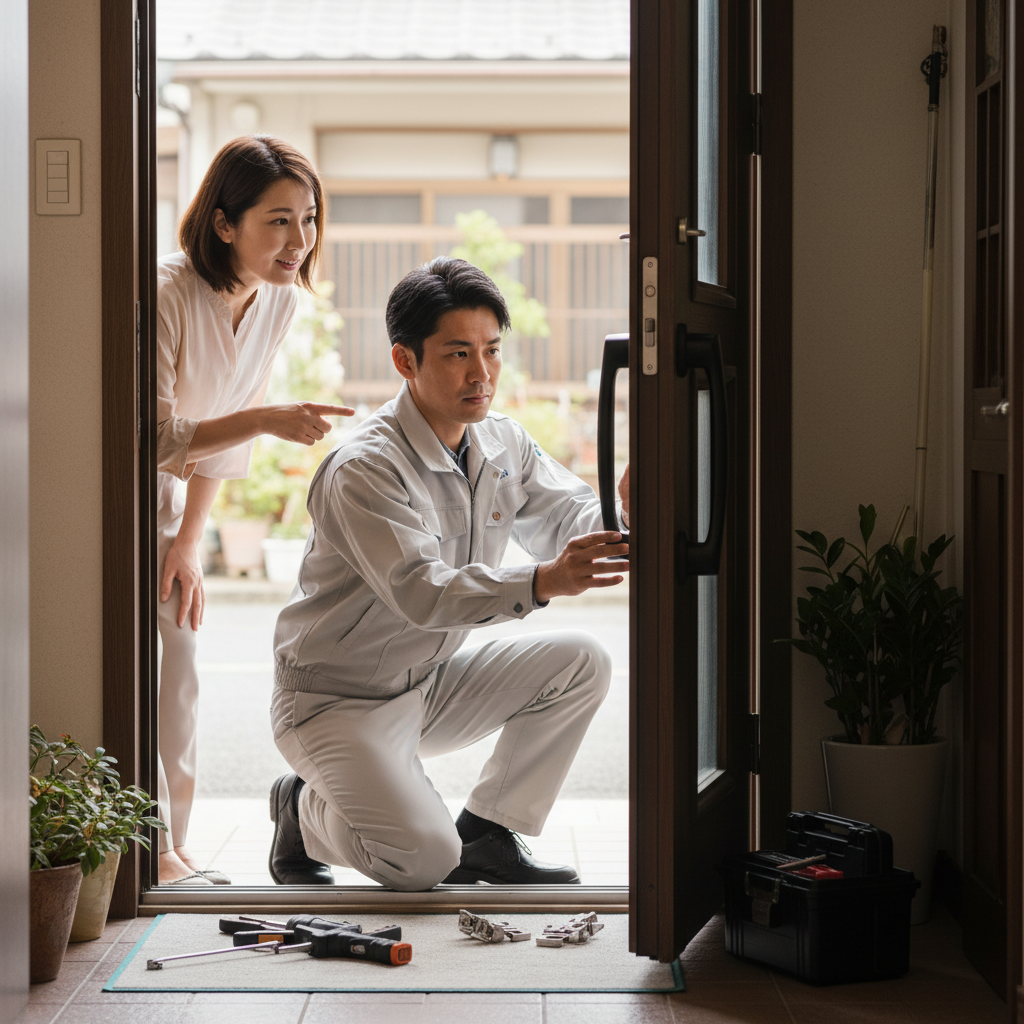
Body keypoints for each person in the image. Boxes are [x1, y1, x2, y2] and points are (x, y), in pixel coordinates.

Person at [268, 256, 630, 891]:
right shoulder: (364, 467)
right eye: (458, 354)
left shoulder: (502, 442)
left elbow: (567, 514)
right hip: (334, 702)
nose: (482, 373)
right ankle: (302, 813)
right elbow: (422, 592)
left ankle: (489, 833)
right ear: (405, 362)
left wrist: (625, 511)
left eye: (492, 350)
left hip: (429, 684)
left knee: (583, 661)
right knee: (423, 863)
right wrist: (543, 581)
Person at [156, 135, 354, 885]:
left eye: (307, 220)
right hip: (114, 497)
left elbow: (224, 432)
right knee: (148, 667)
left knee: (180, 668)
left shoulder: (276, 300)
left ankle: (169, 846)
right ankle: (154, 850)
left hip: (177, 506)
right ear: (223, 222)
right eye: (278, 221)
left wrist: (189, 541)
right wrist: (269, 418)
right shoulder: (169, 290)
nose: (298, 241)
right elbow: (153, 434)